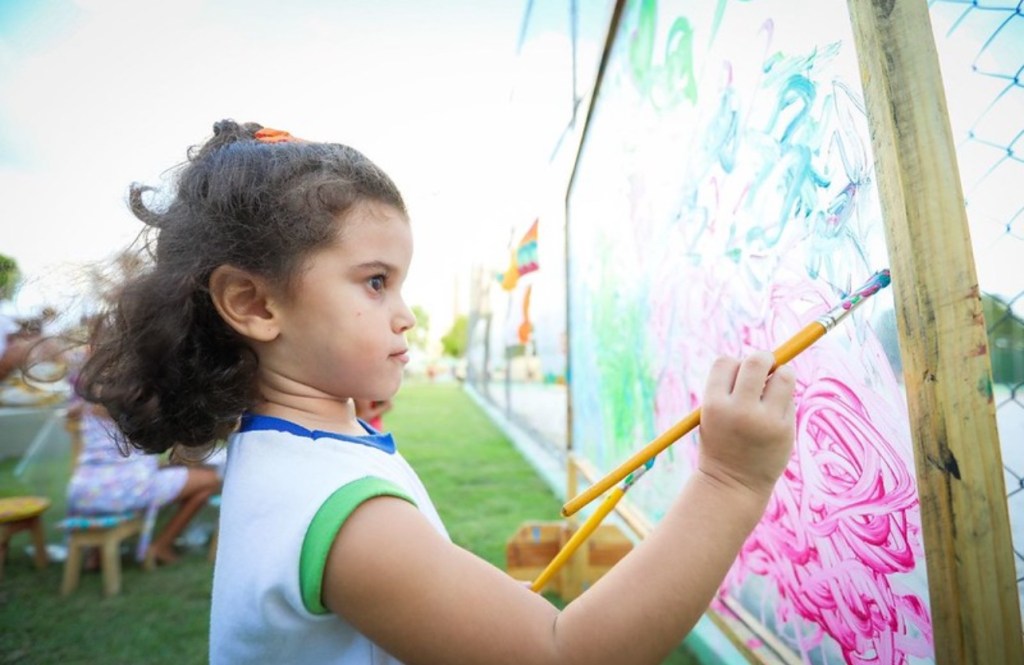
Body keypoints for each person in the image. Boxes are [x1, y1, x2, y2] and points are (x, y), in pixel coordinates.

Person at [75, 120, 796, 665]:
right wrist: (730, 480)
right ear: (255, 304)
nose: (406, 313)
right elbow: (560, 650)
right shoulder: (345, 519)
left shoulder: (291, 443)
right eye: (375, 280)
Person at [66, 400, 222, 567]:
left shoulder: (87, 404)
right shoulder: (139, 401)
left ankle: (96, 555)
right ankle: (161, 546)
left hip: (84, 491)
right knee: (211, 480)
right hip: (128, 489)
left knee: (193, 485)